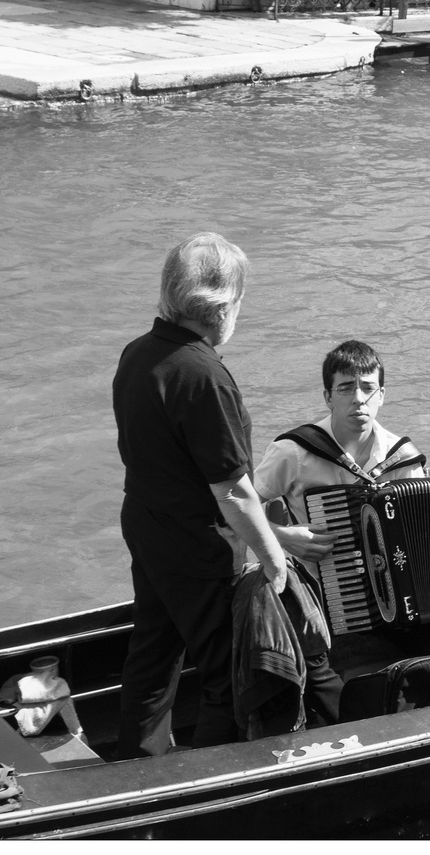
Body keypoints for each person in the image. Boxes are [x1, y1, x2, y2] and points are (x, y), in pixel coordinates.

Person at [111, 232, 292, 758]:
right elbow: (233, 491)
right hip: (196, 545)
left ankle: (136, 763)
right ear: (221, 304)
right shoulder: (203, 374)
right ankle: (207, 777)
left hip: (147, 527)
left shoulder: (138, 353)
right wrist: (272, 557)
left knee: (153, 653)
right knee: (226, 671)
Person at [255, 340, 430, 689]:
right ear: (328, 396)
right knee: (363, 683)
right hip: (331, 602)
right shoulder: (293, 452)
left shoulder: (403, 457)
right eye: (346, 387)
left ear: (381, 395)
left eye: (367, 388)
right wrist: (284, 537)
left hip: (410, 606)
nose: (358, 398)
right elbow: (234, 507)